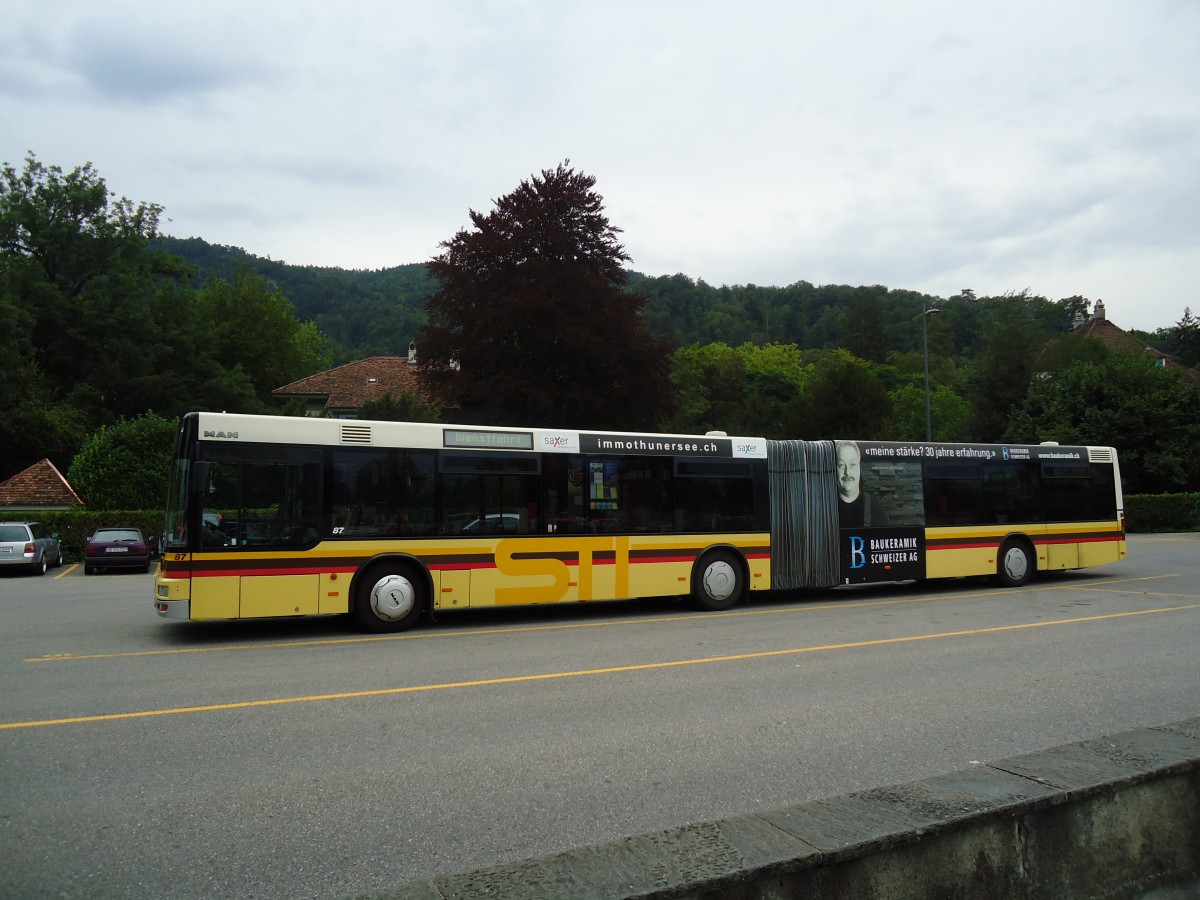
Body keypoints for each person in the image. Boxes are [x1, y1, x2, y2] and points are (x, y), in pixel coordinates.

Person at [835, 440, 890, 527]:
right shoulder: (825, 508)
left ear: (860, 470)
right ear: (835, 470)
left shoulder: (875, 509)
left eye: (852, 465)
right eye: (841, 465)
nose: (847, 472)